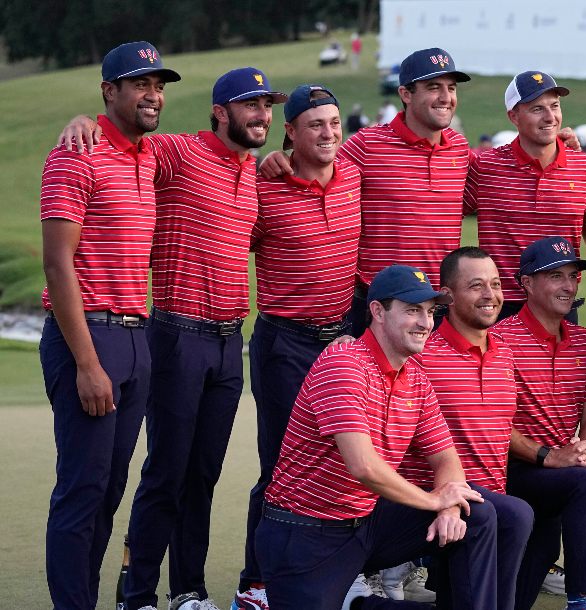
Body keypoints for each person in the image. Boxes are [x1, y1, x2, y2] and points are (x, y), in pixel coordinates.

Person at [59, 66, 287, 610]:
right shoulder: (178, 153)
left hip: (232, 342)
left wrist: (277, 160)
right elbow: (121, 141)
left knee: (202, 475)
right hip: (176, 334)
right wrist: (81, 121)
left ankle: (188, 589)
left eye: (267, 107)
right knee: (165, 472)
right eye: (250, 105)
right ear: (220, 111)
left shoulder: (254, 169)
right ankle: (136, 593)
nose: (261, 116)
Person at [254, 264, 500, 609]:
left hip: (367, 523)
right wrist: (433, 501)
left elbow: (445, 457)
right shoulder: (344, 363)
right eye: (412, 310)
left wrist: (449, 505)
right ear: (377, 312)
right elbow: (363, 466)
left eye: (430, 312)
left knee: (478, 514)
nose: (425, 322)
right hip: (306, 533)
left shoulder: (413, 375)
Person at [40, 41, 179, 610]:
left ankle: (87, 597)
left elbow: (227, 149)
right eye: (141, 84)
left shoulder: (151, 155)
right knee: (83, 489)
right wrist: (88, 363)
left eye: (160, 85)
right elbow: (57, 263)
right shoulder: (77, 153)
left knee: (111, 490)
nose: (154, 95)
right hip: (88, 338)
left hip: (135, 338)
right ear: (109, 91)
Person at [231, 84, 363, 609]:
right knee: (282, 466)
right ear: (291, 132)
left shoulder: (354, 176)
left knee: (344, 460)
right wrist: (266, 163)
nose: (329, 133)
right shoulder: (267, 188)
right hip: (284, 342)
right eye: (315, 125)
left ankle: (335, 573)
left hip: (340, 342)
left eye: (334, 122)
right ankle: (257, 582)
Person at [260, 48, 472, 334]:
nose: (446, 97)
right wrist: (281, 158)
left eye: (451, 87)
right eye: (434, 87)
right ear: (406, 94)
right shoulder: (367, 145)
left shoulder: (458, 148)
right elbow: (318, 165)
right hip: (380, 307)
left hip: (439, 305)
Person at [392, 247, 533, 607]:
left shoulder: (505, 352)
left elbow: (504, 428)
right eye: (476, 285)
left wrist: (552, 454)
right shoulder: (420, 355)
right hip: (432, 499)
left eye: (496, 284)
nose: (490, 295)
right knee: (515, 514)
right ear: (448, 296)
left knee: (514, 515)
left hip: (489, 500)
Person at [493, 236, 586, 610]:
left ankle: (583, 597)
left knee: (585, 481)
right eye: (555, 276)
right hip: (511, 471)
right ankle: (585, 599)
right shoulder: (499, 339)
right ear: (526, 283)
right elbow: (491, 422)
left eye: (573, 276)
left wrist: (584, 452)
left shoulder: (583, 340)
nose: (568, 285)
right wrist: (550, 456)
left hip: (558, 475)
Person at [463, 72, 586, 320]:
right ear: (513, 116)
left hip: (561, 305)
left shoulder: (584, 167)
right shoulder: (486, 167)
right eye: (537, 109)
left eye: (555, 106)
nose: (550, 117)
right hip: (500, 307)